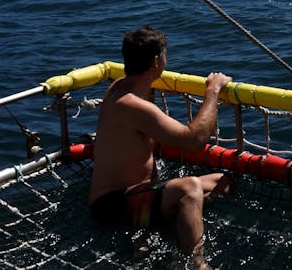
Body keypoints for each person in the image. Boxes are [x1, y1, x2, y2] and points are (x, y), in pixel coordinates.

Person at [88, 27, 232, 269]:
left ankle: (159, 222)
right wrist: (213, 91)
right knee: (190, 187)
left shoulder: (122, 87)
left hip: (139, 194)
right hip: (112, 205)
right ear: (157, 61)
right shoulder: (131, 105)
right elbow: (194, 140)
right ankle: (197, 264)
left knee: (223, 182)